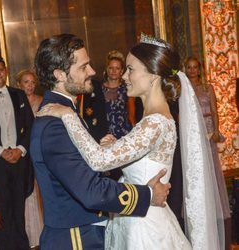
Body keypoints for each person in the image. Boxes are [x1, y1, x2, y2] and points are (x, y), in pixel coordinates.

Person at [38, 34, 226, 250]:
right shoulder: (152, 119)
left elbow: (99, 162)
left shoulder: (154, 123)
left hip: (145, 229)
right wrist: (114, 146)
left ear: (153, 75)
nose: (124, 76)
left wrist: (68, 116)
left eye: (130, 69)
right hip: (136, 218)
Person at [30, 33, 171, 250]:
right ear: (59, 74)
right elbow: (90, 191)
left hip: (89, 230)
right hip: (76, 236)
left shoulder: (66, 112)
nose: (93, 72)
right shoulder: (54, 125)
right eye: (83, 67)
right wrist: (148, 194)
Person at [185, 56, 231, 249]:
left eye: (196, 67)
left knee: (213, 172)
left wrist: (216, 131)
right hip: (194, 136)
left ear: (200, 69)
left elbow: (215, 111)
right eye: (189, 67)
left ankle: (216, 208)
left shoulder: (208, 88)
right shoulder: (184, 90)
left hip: (209, 133)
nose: (193, 70)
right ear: (185, 69)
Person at [0, 55, 34, 250]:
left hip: (19, 161)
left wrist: (20, 149)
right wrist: (0, 151)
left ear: (6, 71)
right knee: (3, 215)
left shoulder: (19, 94)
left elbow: (30, 125)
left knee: (19, 211)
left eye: (1, 70)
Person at [16, 69, 43, 249]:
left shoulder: (42, 101)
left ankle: (42, 233)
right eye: (26, 82)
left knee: (40, 189)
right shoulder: (16, 101)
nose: (30, 86)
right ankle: (28, 234)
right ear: (19, 84)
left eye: (32, 82)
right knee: (26, 190)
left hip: (40, 150)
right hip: (22, 153)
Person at [102, 50, 134, 138]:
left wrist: (135, 132)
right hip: (105, 133)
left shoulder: (127, 88)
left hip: (124, 132)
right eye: (111, 68)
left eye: (117, 68)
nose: (114, 71)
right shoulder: (99, 89)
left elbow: (131, 113)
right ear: (107, 69)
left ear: (122, 71)